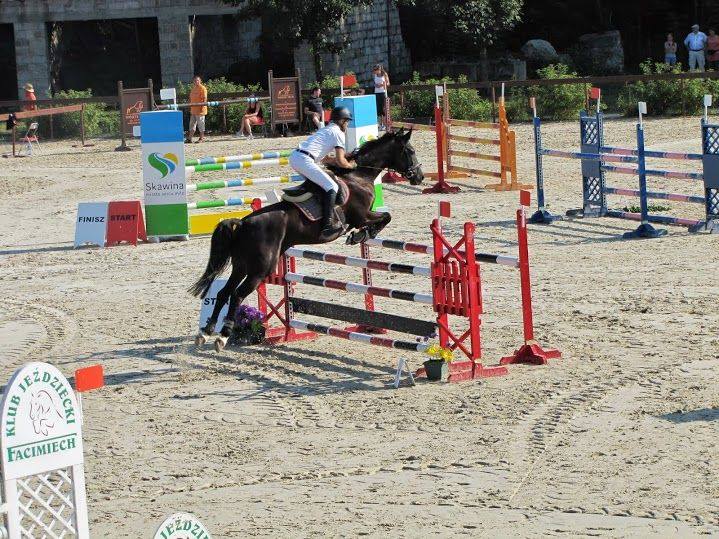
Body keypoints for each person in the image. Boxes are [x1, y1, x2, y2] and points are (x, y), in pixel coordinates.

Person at [288, 106, 355, 240]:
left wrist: (338, 161)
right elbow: (341, 161)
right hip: (304, 160)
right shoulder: (338, 133)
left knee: (320, 185)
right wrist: (352, 166)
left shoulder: (327, 129)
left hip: (296, 157)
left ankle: (313, 213)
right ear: (342, 121)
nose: (347, 125)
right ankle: (327, 226)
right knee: (332, 186)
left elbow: (325, 159)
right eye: (347, 121)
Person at [187, 76, 207, 143]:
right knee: (192, 125)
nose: (196, 82)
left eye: (197, 80)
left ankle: (202, 138)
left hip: (200, 110)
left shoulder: (203, 88)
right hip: (193, 110)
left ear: (200, 81)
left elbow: (204, 99)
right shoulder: (193, 89)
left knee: (201, 125)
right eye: (195, 81)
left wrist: (202, 107)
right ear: (193, 82)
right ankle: (189, 139)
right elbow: (190, 98)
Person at [372, 64, 389, 130]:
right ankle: (380, 125)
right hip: (376, 93)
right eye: (374, 70)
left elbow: (388, 83)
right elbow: (374, 83)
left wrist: (382, 85)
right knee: (378, 109)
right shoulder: (375, 75)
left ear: (379, 69)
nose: (374, 71)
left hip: (383, 92)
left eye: (375, 70)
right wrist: (376, 85)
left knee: (383, 109)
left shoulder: (384, 74)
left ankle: (384, 125)